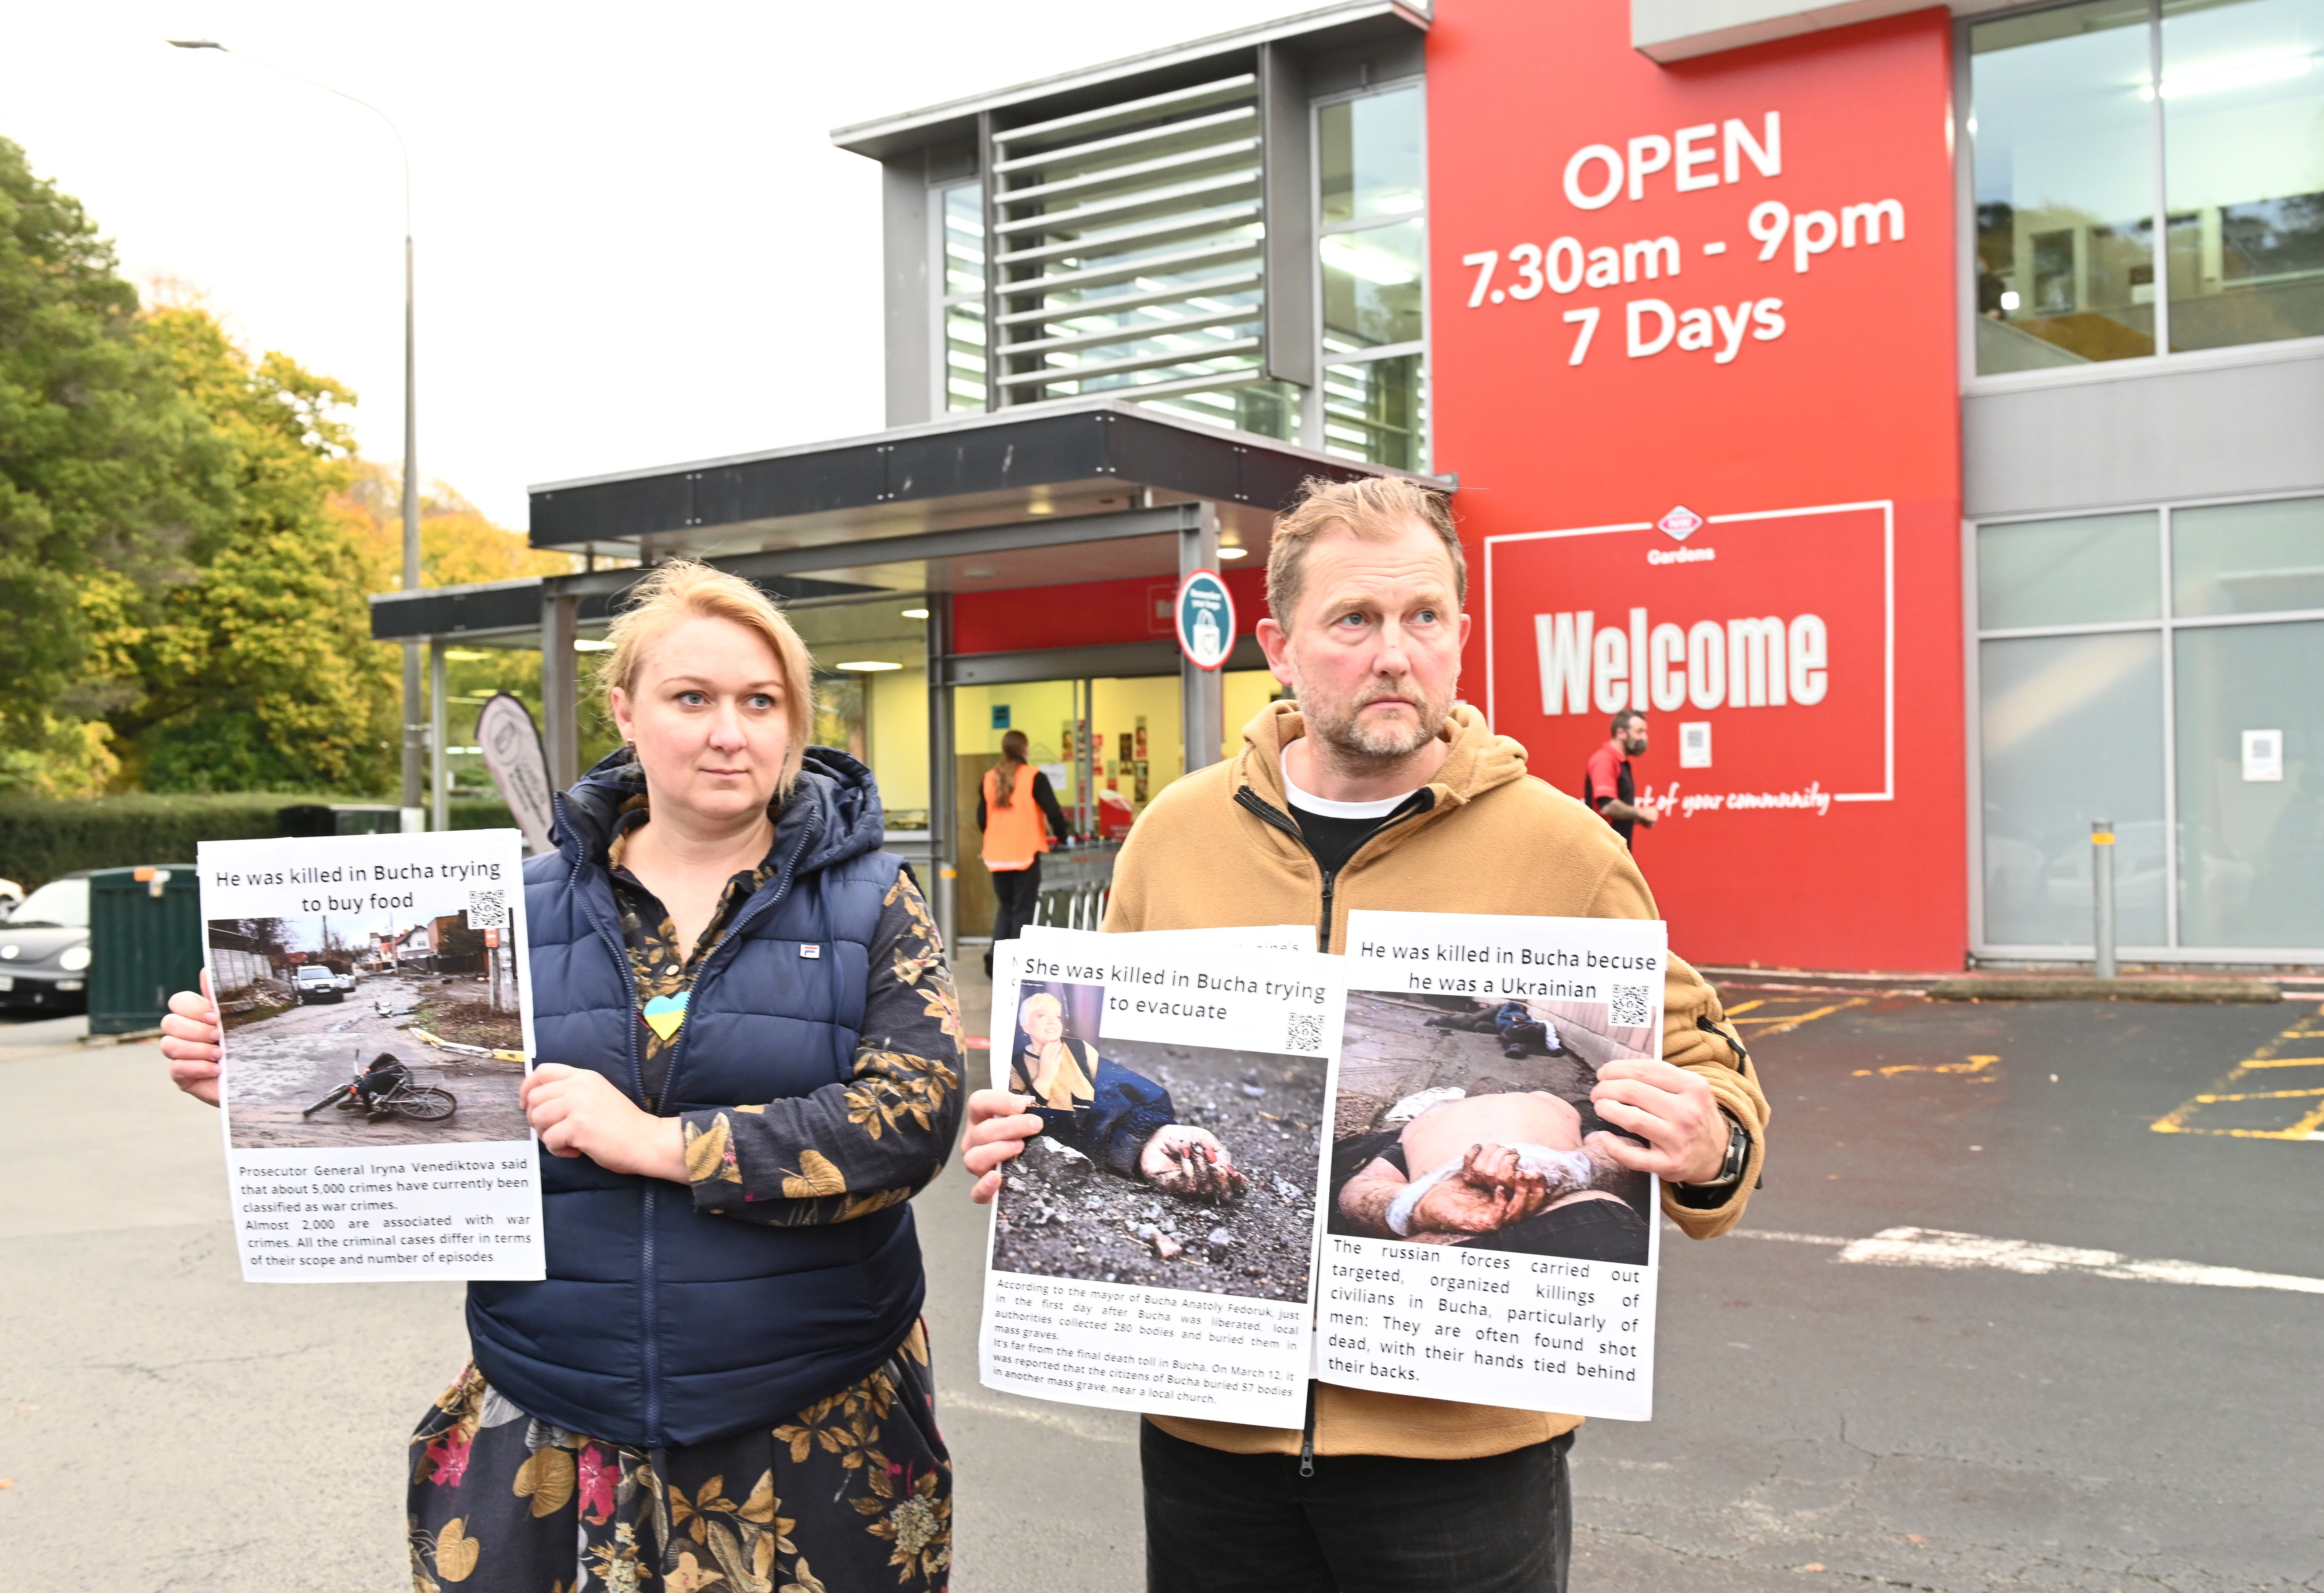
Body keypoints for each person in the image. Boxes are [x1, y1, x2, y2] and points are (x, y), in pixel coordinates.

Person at [961, 474, 1768, 1593]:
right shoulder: (1174, 835)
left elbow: (1707, 1068)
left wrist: (1711, 1142)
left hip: (1462, 1455)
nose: (1396, 653)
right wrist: (1025, 1114)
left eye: (1424, 617)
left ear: (1461, 636)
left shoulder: (1568, 848)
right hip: (1212, 1446)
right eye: (1355, 619)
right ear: (1279, 646)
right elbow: (1086, 1044)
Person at [161, 560, 964, 1593]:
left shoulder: (870, 899)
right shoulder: (515, 904)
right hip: (552, 1414)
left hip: (812, 1423)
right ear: (624, 711)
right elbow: (444, 1113)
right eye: (693, 698)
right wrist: (255, 1081)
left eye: (761, 701)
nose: (732, 730)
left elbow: (911, 1117)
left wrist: (662, 1142)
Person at [1330, 1090, 1649, 1264]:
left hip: (1576, 1221)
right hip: (1582, 1223)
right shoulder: (1424, 1121)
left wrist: (1548, 1172)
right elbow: (1358, 1192)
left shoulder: (1549, 1104)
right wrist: (1420, 1204)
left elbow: (1629, 1155)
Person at [1010, 991, 1243, 1198]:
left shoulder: (1078, 1052)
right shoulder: (1014, 1062)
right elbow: (1018, 1114)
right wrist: (1043, 1083)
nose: (1052, 1023)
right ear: (1025, 1026)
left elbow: (1103, 1089)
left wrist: (1149, 1133)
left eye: (1058, 1017)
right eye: (1042, 1016)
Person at [977, 728, 1071, 973]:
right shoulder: (1034, 777)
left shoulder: (989, 778)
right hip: (1026, 854)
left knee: (1006, 907)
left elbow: (982, 819)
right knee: (1022, 910)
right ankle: (1015, 964)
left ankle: (996, 957)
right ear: (1025, 750)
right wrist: (1063, 837)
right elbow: (1054, 813)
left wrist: (999, 835)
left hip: (997, 856)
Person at [1583, 708, 1657, 848]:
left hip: (1616, 849)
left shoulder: (1620, 762)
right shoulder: (1604, 760)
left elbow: (1614, 813)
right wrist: (1642, 813)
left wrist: (1640, 818)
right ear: (1621, 733)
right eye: (1639, 732)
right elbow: (1607, 806)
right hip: (1605, 850)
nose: (1644, 738)